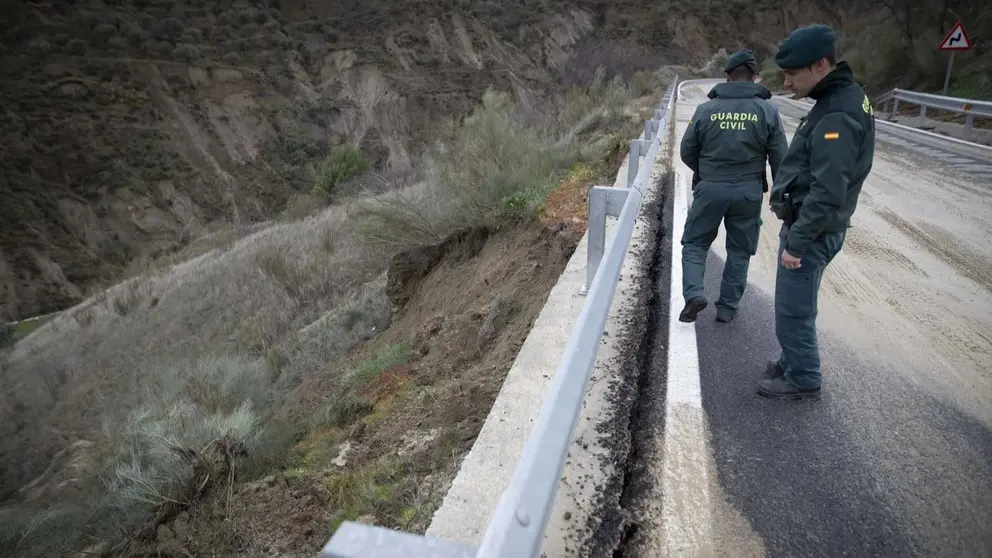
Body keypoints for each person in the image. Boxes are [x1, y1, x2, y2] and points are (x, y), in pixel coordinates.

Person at [758, 24, 876, 400]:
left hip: (812, 229)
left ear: (821, 64)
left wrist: (797, 241)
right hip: (814, 225)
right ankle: (793, 361)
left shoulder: (837, 114)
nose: (787, 82)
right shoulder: (839, 97)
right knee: (794, 302)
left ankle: (804, 377)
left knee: (794, 308)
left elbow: (828, 190)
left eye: (793, 74)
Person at [678, 49, 788, 323]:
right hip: (748, 192)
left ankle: (694, 295)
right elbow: (781, 161)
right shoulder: (768, 111)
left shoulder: (705, 110)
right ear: (754, 77)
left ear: (727, 76)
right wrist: (781, 199)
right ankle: (727, 308)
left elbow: (686, 151)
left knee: (695, 243)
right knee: (739, 250)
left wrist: (707, 173)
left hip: (711, 188)